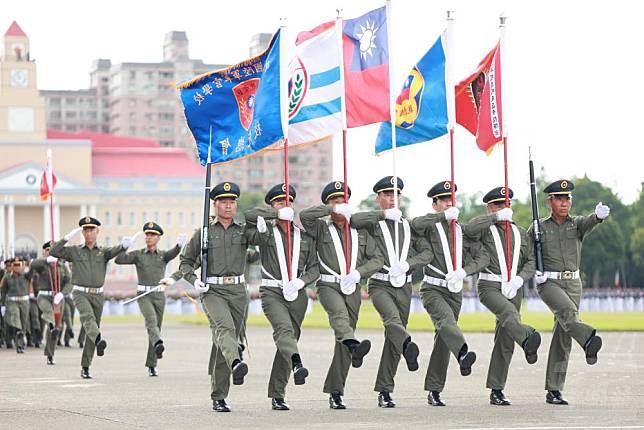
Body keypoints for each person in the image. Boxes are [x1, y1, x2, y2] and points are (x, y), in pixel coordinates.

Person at [300, 181, 384, 409]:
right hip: (328, 285)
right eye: (334, 201)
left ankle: (336, 391)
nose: (340, 204)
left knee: (345, 341)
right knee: (340, 319)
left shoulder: (359, 230)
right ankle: (354, 346)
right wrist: (331, 210)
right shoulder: (320, 228)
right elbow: (304, 216)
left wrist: (360, 273)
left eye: (343, 201)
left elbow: (377, 259)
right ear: (327, 204)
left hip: (353, 287)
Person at [350, 176, 432, 408]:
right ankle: (408, 345)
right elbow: (354, 219)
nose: (391, 198)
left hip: (404, 285)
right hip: (379, 284)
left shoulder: (408, 225)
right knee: (392, 321)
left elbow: (427, 253)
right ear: (378, 199)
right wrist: (384, 215)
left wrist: (409, 264)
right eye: (386, 194)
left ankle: (385, 389)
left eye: (395, 194)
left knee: (393, 338)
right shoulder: (373, 223)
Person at [528, 179, 608, 405]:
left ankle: (554, 389)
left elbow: (590, 221)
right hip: (549, 283)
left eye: (568, 198)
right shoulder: (538, 227)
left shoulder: (577, 224)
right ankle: (588, 339)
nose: (565, 203)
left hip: (573, 284)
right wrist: (535, 269)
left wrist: (599, 216)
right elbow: (526, 254)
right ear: (550, 201)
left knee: (563, 337)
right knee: (568, 314)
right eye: (560, 198)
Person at [244, 183, 319, 411]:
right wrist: (275, 215)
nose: (284, 205)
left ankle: (278, 393)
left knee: (289, 341)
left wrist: (302, 281)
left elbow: (314, 268)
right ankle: (298, 364)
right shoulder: (265, 234)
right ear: (272, 206)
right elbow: (249, 215)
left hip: (296, 292)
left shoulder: (304, 238)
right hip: (272, 291)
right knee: (284, 331)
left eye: (287, 202)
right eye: (278, 202)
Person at [50, 216, 130, 379]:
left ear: (97, 231)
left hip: (98, 295)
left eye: (91, 229)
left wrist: (124, 245)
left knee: (90, 333)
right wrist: (66, 238)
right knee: (88, 319)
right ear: (82, 232)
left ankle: (86, 366)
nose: (88, 233)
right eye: (85, 230)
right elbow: (54, 252)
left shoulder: (104, 252)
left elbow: (116, 250)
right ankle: (99, 338)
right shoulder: (75, 251)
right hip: (80, 292)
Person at [115, 222, 185, 376]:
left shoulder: (162, 255)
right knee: (151, 321)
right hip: (143, 295)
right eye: (147, 234)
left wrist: (179, 245)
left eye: (152, 235)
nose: (148, 237)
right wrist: (125, 247)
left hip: (159, 295)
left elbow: (173, 253)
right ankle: (158, 343)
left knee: (156, 329)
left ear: (158, 238)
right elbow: (118, 260)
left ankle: (152, 364)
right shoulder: (138, 254)